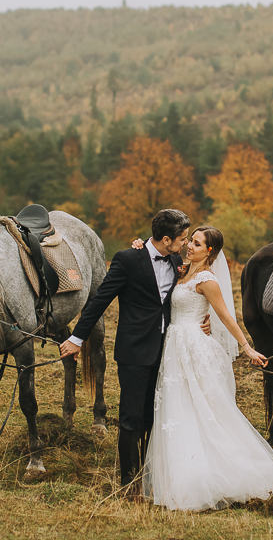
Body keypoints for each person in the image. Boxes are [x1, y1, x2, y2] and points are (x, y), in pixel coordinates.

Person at [138, 226, 273, 511]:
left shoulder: (207, 279)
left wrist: (247, 348)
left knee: (202, 409)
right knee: (176, 408)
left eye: (196, 243)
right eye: (190, 241)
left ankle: (218, 475)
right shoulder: (182, 271)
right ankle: (177, 475)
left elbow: (227, 317)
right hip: (174, 346)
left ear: (210, 251)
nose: (189, 246)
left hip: (193, 348)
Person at [59, 209, 210, 493]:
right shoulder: (127, 259)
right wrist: (78, 338)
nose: (186, 244)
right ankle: (128, 483)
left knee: (155, 417)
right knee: (131, 418)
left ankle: (151, 477)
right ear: (166, 239)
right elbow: (100, 300)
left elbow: (193, 290)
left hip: (168, 352)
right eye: (182, 239)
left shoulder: (178, 260)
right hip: (134, 352)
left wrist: (205, 315)